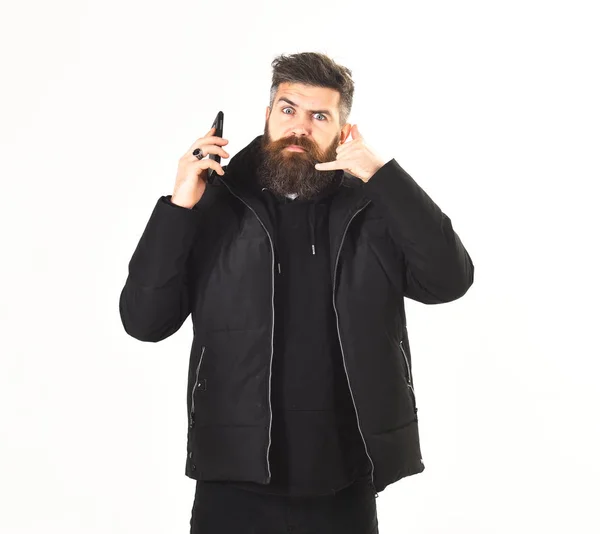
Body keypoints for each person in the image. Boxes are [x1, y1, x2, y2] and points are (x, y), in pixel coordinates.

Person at [119, 51, 474, 534]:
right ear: (267, 116)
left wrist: (385, 176)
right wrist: (180, 202)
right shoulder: (213, 202)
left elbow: (449, 281)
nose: (299, 127)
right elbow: (145, 321)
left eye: (319, 116)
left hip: (344, 480)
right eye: (288, 110)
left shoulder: (372, 208)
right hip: (232, 478)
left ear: (343, 133)